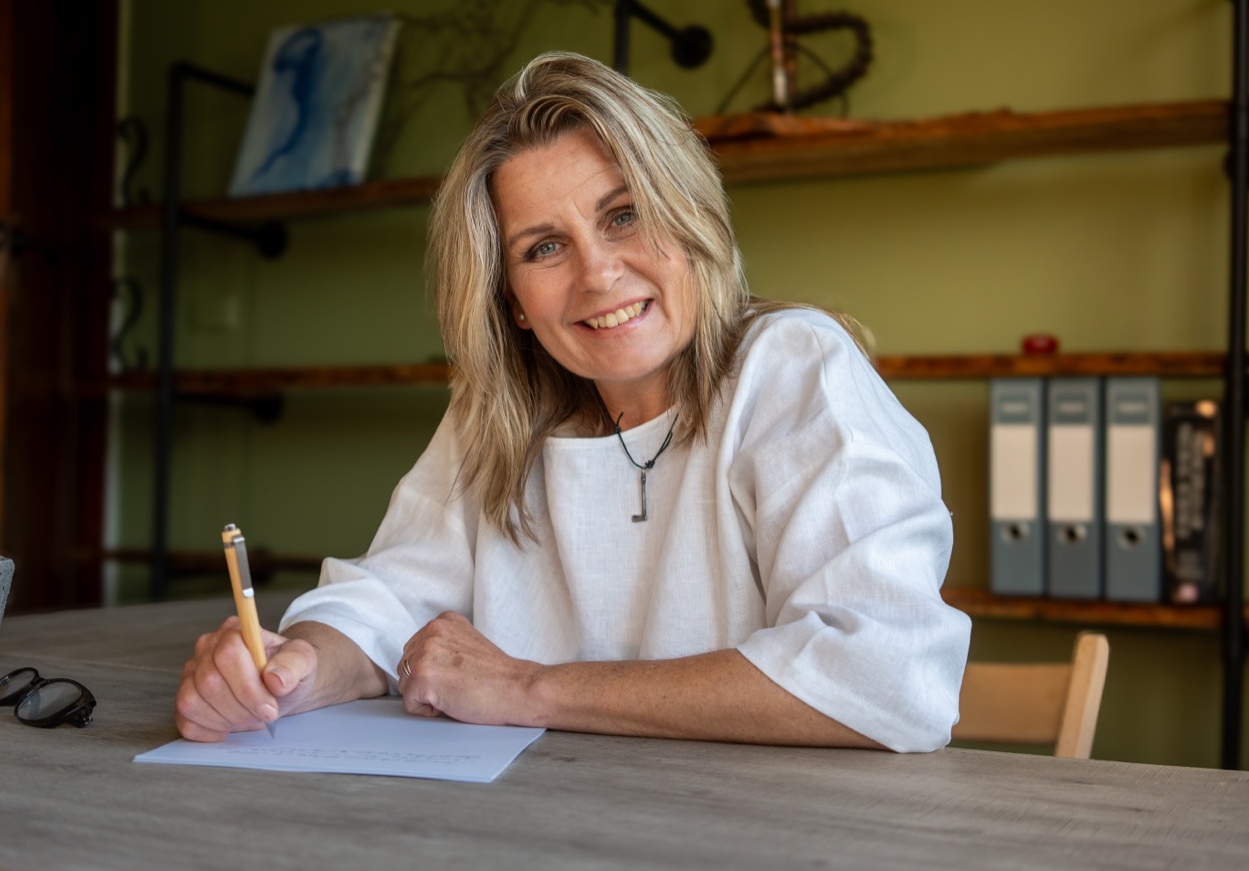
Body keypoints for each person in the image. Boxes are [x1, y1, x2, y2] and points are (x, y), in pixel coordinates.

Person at [175, 51, 970, 753]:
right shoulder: (501, 405)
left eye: (624, 215)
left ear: (691, 221)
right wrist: (296, 667)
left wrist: (527, 688)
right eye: (544, 247)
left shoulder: (793, 368)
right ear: (514, 299)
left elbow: (887, 678)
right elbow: (385, 601)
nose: (597, 274)